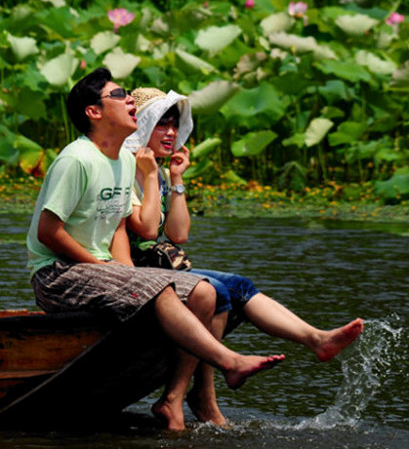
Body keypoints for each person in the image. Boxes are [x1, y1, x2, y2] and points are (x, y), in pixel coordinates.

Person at [26, 68, 285, 430]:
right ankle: (229, 362)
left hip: (99, 271)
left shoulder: (118, 162)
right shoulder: (77, 159)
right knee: (158, 287)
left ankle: (174, 399)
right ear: (93, 112)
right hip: (57, 273)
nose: (130, 100)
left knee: (205, 293)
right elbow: (48, 232)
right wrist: (111, 271)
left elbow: (117, 229)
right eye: (119, 96)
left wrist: (126, 271)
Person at [124, 87, 364, 428]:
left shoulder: (158, 172)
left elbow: (178, 234)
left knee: (238, 285)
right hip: (133, 268)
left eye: (175, 125)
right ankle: (191, 396)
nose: (172, 133)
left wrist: (176, 180)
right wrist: (149, 175)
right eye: (162, 124)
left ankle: (316, 339)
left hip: (155, 262)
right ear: (143, 125)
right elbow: (147, 232)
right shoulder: (127, 168)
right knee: (217, 292)